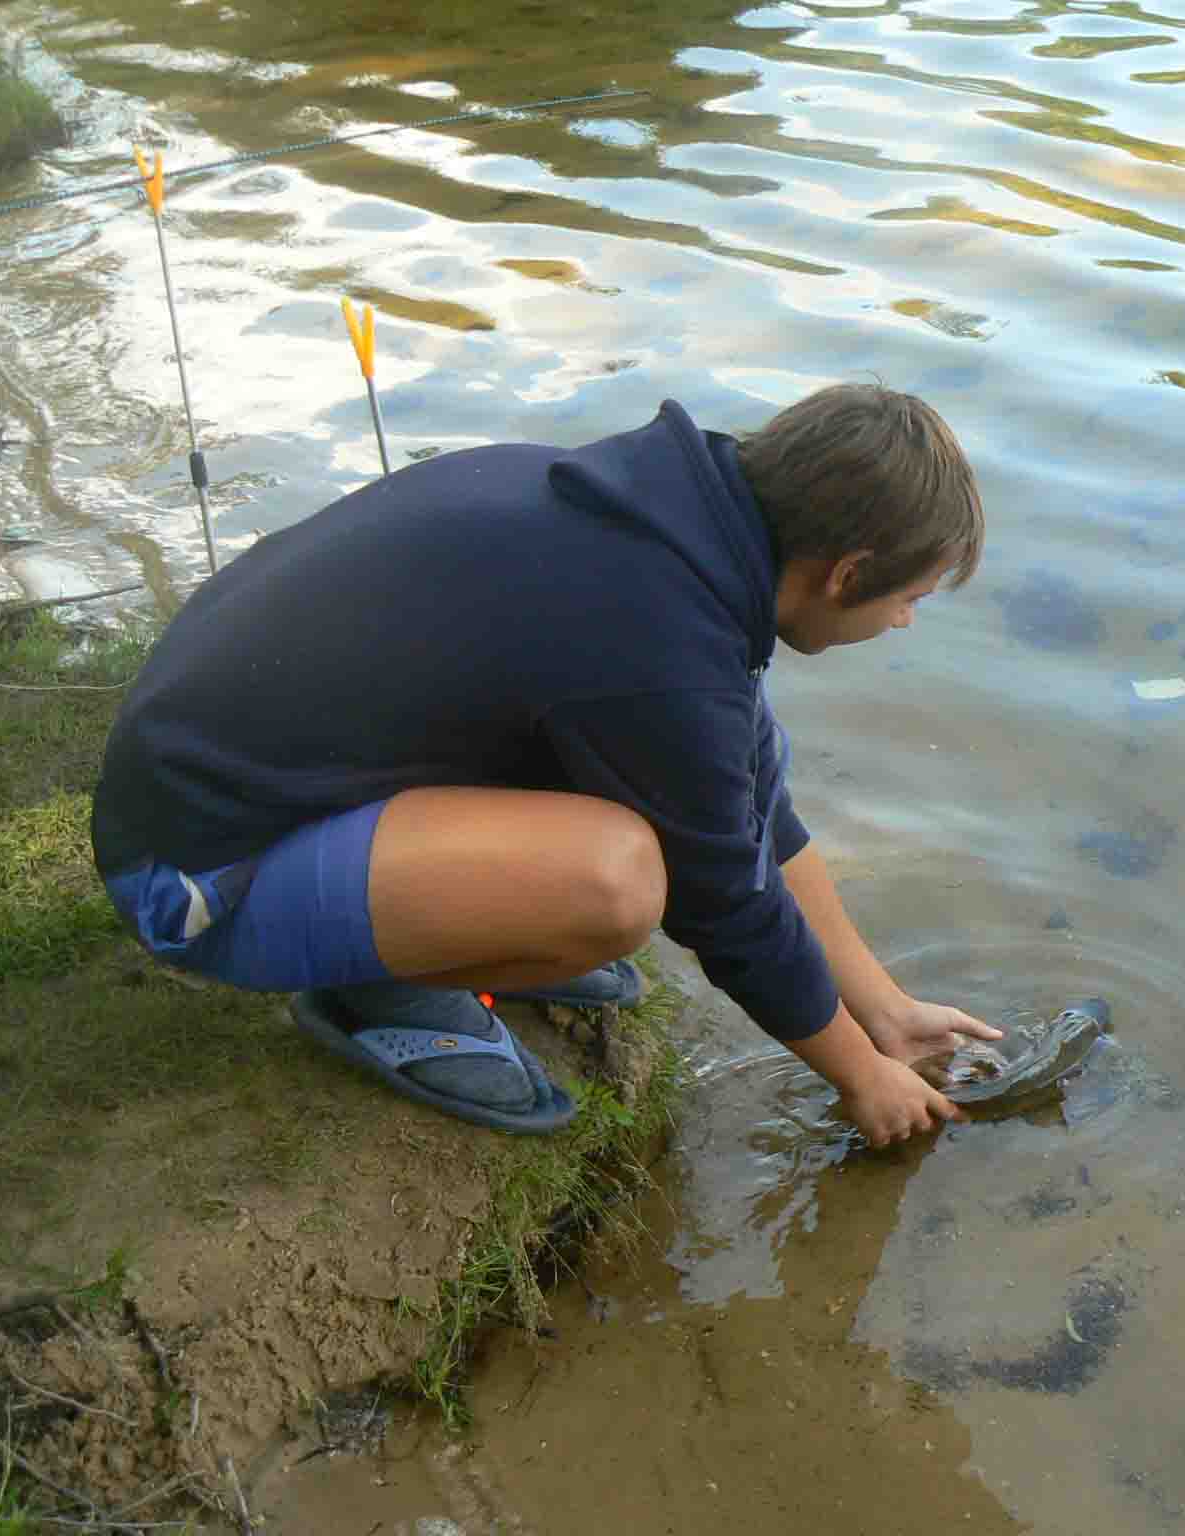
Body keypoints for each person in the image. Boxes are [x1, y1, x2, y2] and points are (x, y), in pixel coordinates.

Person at [91, 383, 1001, 1143]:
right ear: (849, 572)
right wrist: (858, 1076)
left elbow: (754, 802)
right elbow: (726, 901)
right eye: (910, 598)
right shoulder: (656, 640)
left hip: (226, 783)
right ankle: (378, 994)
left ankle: (442, 926)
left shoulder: (664, 523)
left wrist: (882, 1008)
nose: (905, 622)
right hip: (197, 875)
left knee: (745, 750)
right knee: (616, 884)